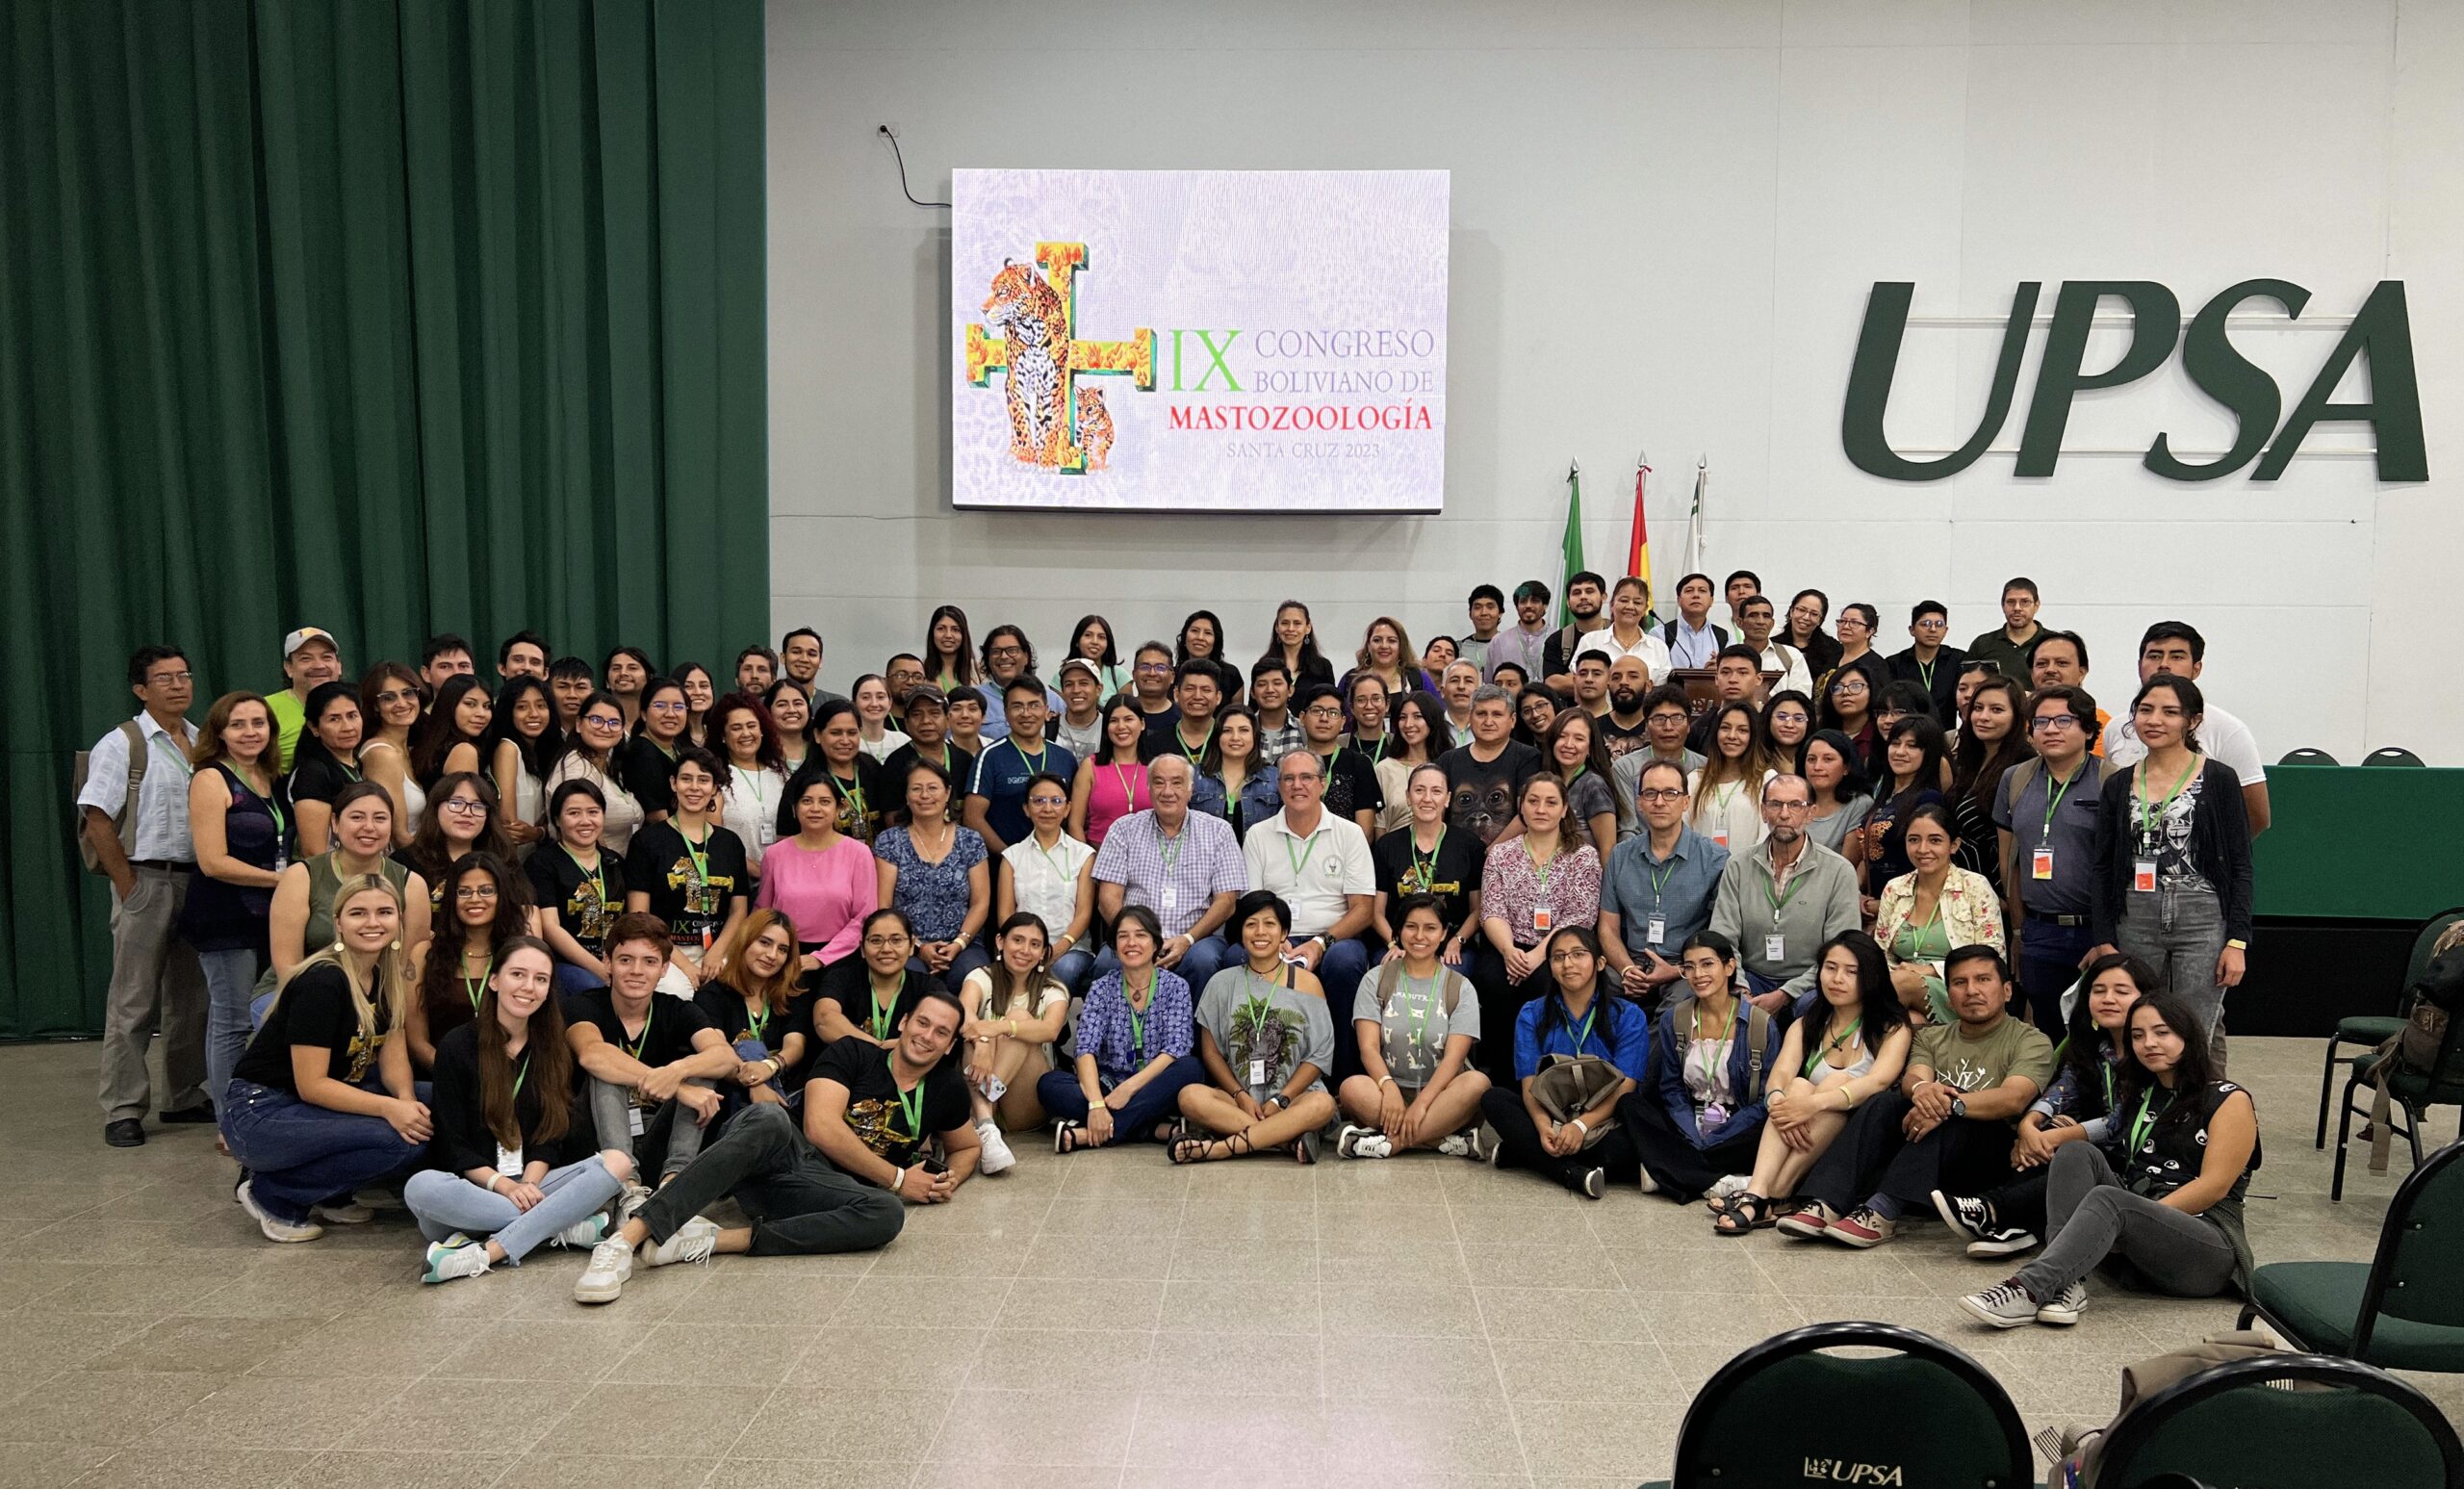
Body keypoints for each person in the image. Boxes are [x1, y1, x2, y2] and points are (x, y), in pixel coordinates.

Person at [572, 988, 976, 1302]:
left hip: (828, 1192)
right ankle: (625, 1240)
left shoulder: (947, 1087)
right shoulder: (854, 1052)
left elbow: (967, 1147)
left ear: (949, 1046)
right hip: (786, 1156)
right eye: (922, 1023)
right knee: (769, 1117)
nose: (927, 1036)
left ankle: (703, 1242)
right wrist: (900, 1179)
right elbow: (820, 1128)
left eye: (941, 1033)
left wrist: (947, 1179)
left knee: (887, 1214)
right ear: (904, 1022)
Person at [1959, 991, 2259, 1329]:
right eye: (2138, 1035)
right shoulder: (2141, 1093)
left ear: (2188, 1037)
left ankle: (2028, 1288)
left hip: (2207, 1247)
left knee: (2111, 1200)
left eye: (2162, 1032)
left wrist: (2137, 1217)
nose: (2149, 1043)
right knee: (2076, 1152)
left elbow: (2213, 1186)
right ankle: (2066, 1282)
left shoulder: (2227, 1099)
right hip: (2143, 1234)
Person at [1784, 945, 2054, 1247]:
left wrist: (1949, 1104)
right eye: (1960, 983)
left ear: (2006, 991)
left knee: (1952, 1117)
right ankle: (1826, 1202)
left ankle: (1881, 1212)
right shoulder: (1931, 1036)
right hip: (1928, 1153)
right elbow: (1915, 1078)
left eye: (1983, 980)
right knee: (1884, 1102)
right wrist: (1924, 1090)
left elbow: (2013, 1098)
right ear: (1948, 995)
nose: (1971, 991)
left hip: (1990, 1158)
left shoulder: (2031, 1040)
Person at [407, 937, 631, 1282]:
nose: (529, 987)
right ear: (495, 981)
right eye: (518, 974)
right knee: (421, 1188)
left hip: (535, 1184)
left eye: (540, 979)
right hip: (475, 1192)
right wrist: (506, 1187)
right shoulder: (457, 1045)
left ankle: (487, 1252)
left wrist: (527, 1184)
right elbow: (452, 1144)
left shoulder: (553, 1049)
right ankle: (559, 1225)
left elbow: (550, 1135)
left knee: (617, 1162)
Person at [220, 873, 430, 1242]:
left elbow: (394, 1061)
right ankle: (274, 1194)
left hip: (311, 1105)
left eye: (384, 912)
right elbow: (312, 1086)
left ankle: (330, 1192)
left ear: (399, 920)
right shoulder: (322, 980)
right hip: (262, 1111)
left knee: (433, 1107)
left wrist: (407, 1102)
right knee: (395, 1139)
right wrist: (390, 1110)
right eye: (358, 913)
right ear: (338, 923)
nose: (372, 922)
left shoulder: (385, 977)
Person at [1934, 951, 2149, 1258]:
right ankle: (2016, 1229)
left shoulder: (2151, 1050)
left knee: (2067, 1148)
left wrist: (2051, 1137)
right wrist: (2029, 1126)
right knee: (2047, 1130)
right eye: (2099, 990)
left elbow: (2120, 1120)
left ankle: (1992, 1209)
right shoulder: (2093, 1047)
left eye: (2122, 991)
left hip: (2137, 1161)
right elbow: (2061, 1091)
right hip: (2094, 1150)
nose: (2108, 999)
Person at [2090, 675, 2254, 1053]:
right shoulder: (2118, 783)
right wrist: (2102, 938)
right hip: (2135, 912)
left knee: (2196, 1026)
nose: (2154, 720)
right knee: (2136, 1021)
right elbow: (2102, 867)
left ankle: (2205, 1093)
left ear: (2192, 720)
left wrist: (2237, 941)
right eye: (2145, 710)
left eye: (2169, 712)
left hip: (2202, 914)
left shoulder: (2219, 778)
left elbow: (2241, 865)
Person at [1717, 932, 1913, 1235]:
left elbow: (1879, 1081)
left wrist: (1812, 1105)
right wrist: (1780, 1103)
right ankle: (1760, 1192)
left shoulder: (1892, 1027)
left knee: (1835, 1081)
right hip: (1805, 1132)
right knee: (1795, 1086)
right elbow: (1780, 1075)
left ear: (1872, 976)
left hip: (1858, 1141)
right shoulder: (1806, 1023)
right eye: (1830, 968)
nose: (1837, 979)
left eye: (1851, 972)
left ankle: (1774, 1192)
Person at [562, 913, 738, 1201]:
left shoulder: (677, 1009)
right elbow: (592, 1054)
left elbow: (725, 1056)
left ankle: (674, 1184)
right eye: (625, 960)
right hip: (595, 1143)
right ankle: (627, 1188)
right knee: (608, 1067)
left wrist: (677, 1071)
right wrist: (678, 1088)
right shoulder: (584, 1005)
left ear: (665, 968)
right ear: (607, 963)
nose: (637, 970)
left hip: (654, 1134)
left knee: (702, 1069)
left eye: (649, 961)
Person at [1476, 925, 1648, 1197]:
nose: (1568, 964)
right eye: (1558, 957)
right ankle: (1571, 1172)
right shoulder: (1532, 1013)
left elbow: (1626, 1087)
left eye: (1578, 954)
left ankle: (1527, 1154)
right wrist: (1543, 1126)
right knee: (1494, 1100)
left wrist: (1581, 1126)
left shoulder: (1628, 1015)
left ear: (1600, 963)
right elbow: (1529, 1083)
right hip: (1552, 1113)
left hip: (1603, 1122)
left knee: (1631, 1140)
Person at [185, 690, 294, 1117]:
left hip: (269, 915)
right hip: (224, 916)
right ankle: (229, 1119)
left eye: (258, 723)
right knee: (231, 1022)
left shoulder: (271, 778)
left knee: (262, 1015)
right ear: (220, 733)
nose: (250, 732)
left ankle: (257, 1107)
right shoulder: (210, 779)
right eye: (238, 725)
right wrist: (281, 880)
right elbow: (212, 861)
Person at [1172, 890, 1341, 1164]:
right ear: (1241, 933)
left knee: (1322, 1104)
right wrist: (1240, 1096)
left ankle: (1220, 1149)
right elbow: (1211, 1053)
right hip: (1240, 1101)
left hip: (1294, 1099)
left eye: (1270, 924)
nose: (1260, 932)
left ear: (1284, 933)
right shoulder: (1221, 983)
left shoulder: (1307, 983)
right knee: (1190, 1097)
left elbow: (1319, 1055)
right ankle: (1285, 1140)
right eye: (1251, 924)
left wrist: (1281, 1100)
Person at [1627, 931, 1784, 1201]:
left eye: (1707, 964)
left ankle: (1672, 1172)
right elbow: (1672, 1089)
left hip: (1737, 1126)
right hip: (1688, 1119)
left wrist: (1718, 1136)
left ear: (1729, 967)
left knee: (1774, 1128)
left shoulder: (1760, 1024)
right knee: (1630, 1105)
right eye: (1689, 967)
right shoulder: (1675, 1019)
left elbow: (1764, 1099)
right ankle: (1718, 1181)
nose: (1698, 974)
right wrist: (1692, 1133)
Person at [1994, 685, 2111, 1039]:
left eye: (2064, 720)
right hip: (2039, 930)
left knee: (2099, 1032)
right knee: (2048, 1030)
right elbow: (2011, 862)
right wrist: (2018, 931)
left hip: (2096, 931)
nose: (2050, 729)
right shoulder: (2015, 779)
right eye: (2041, 722)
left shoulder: (2112, 780)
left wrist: (2108, 937)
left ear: (2088, 729)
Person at [1335, 894, 1491, 1158]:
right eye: (1411, 927)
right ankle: (1441, 1139)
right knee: (1351, 1088)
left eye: (1430, 928)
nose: (1420, 936)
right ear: (1398, 931)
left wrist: (1422, 1104)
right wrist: (1389, 1088)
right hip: (1388, 1092)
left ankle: (1390, 1144)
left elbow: (1454, 1059)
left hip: (1442, 1096)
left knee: (1478, 1083)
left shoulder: (1460, 987)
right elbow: (1368, 1048)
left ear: (1444, 934)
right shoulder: (1376, 979)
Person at [1041, 905, 1206, 1150]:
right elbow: (1085, 1048)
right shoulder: (1101, 988)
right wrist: (1097, 1103)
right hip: (1108, 1085)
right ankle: (1151, 1129)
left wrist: (1129, 1089)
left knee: (1191, 1068)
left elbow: (1176, 1048)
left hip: (1155, 1085)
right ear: (1115, 946)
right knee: (1048, 1084)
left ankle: (1092, 1133)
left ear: (1156, 944)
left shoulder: (1176, 986)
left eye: (1140, 935)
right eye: (1123, 936)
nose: (1131, 943)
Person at [1474, 773, 1603, 1081]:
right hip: (1508, 944)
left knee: (1544, 981)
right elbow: (1492, 910)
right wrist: (1510, 951)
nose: (1541, 809)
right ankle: (1502, 1078)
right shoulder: (1501, 854)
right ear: (1521, 806)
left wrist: (1538, 955)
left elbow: (1580, 916)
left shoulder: (1583, 855)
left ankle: (1548, 1076)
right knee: (1491, 979)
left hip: (1560, 947)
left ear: (1564, 809)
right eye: (1533, 801)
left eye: (1550, 802)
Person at [1241, 752, 1377, 1038]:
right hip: (1273, 934)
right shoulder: (1257, 835)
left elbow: (1363, 910)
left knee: (1345, 961)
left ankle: (1343, 1060)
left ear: (1323, 784)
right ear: (1279, 786)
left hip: (1333, 937)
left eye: (1306, 777)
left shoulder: (1350, 833)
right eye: (1288, 778)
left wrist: (1320, 942)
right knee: (1235, 957)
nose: (1297, 785)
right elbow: (1252, 904)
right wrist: (1275, 938)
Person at [1091, 755, 1247, 992]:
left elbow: (1226, 902)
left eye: (1176, 783)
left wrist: (1187, 939)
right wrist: (1136, 939)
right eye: (1158, 782)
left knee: (1204, 961)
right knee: (1106, 962)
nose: (1167, 791)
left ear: (1190, 790)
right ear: (1148, 788)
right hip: (1134, 936)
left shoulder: (1218, 831)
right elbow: (1107, 898)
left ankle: (1197, 1020)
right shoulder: (1123, 829)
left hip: (1198, 939)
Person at [2101, 621, 2271, 835]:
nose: (2164, 664)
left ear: (2196, 668)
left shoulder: (2229, 731)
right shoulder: (2117, 728)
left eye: (2177, 657)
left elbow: (2257, 816)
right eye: (2154, 656)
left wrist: (2216, 851)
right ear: (2139, 665)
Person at [1708, 775, 1862, 1010]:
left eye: (1795, 805)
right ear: (1763, 812)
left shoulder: (1839, 871)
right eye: (1775, 804)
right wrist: (1740, 987)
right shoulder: (1738, 865)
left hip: (1812, 983)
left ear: (1811, 813)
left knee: (1811, 1006)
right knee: (1727, 1003)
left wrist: (1786, 993)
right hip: (1751, 977)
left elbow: (1841, 950)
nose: (1784, 814)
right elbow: (1723, 938)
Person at [265, 780, 432, 990]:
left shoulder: (412, 885)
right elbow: (287, 968)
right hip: (297, 993)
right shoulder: (301, 876)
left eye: (380, 818)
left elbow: (408, 967)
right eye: (357, 817)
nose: (369, 827)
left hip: (378, 995)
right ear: (335, 823)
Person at [1599, 760, 1730, 1001]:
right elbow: (1607, 927)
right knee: (1591, 987)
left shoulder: (1715, 859)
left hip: (1686, 968)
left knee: (1680, 1006)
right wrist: (1627, 969)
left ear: (1686, 801)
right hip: (1631, 963)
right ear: (1639, 802)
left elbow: (1720, 933)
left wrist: (1680, 970)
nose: (1659, 802)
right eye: (1650, 793)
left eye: (1670, 793)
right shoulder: (1620, 855)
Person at [624, 748, 751, 992]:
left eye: (703, 780)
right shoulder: (647, 841)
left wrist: (716, 953)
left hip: (719, 949)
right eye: (686, 779)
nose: (694, 787)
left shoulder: (730, 843)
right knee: (676, 990)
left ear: (714, 788)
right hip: (663, 949)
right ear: (673, 783)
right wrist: (684, 965)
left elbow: (738, 912)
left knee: (731, 991)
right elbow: (640, 915)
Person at [1875, 804, 2006, 1025]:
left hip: (1960, 988)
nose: (1923, 849)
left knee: (1901, 983)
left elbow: (1993, 955)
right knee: (1911, 1021)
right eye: (1914, 840)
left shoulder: (1974, 886)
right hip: (1899, 989)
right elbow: (1879, 953)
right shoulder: (1894, 888)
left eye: (1935, 840)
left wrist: (1930, 970)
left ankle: (1849, 1040)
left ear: (1954, 845)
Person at [956, 911, 1071, 1162]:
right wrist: (982, 1043)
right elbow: (963, 1015)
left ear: (1043, 953)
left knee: (1019, 1020)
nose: (1025, 950)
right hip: (981, 1080)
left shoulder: (1054, 989)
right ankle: (986, 1126)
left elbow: (1051, 1029)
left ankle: (981, 1114)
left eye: (1035, 944)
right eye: (1017, 940)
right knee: (973, 1037)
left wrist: (1000, 1028)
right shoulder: (980, 977)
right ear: (1000, 942)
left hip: (1024, 1102)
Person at [407, 851, 534, 1068]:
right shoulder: (424, 952)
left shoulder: (523, 952)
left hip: (509, 1072)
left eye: (486, 890)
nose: (475, 899)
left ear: (502, 895)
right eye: (464, 892)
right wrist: (458, 1075)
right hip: (441, 1073)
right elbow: (417, 1041)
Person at [875, 761, 991, 992]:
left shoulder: (971, 840)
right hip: (905, 945)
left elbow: (980, 902)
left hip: (963, 944)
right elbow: (884, 905)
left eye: (933, 788)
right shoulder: (889, 841)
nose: (925, 796)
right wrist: (918, 946)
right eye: (916, 789)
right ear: (906, 796)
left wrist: (959, 943)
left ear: (947, 793)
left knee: (973, 977)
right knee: (912, 980)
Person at [758, 772, 879, 971]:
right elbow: (762, 912)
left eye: (825, 802)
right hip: (784, 955)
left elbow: (865, 916)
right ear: (794, 808)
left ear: (839, 808)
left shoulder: (859, 853)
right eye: (807, 801)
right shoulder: (775, 854)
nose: (815, 809)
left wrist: (822, 958)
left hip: (844, 956)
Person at [693, 910, 809, 1109]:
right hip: (732, 1096)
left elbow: (795, 1046)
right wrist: (756, 1084)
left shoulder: (793, 992)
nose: (772, 955)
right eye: (764, 942)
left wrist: (769, 1066)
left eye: (782, 950)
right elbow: (718, 1051)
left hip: (786, 1091)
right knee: (750, 1048)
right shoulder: (712, 994)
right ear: (745, 940)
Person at [1373, 763, 1483, 972]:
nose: (1427, 798)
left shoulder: (1470, 845)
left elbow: (1478, 909)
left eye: (1436, 791)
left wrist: (1458, 940)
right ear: (1408, 796)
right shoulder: (1387, 846)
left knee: (1450, 975)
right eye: (1419, 790)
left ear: (1448, 799)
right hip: (1399, 943)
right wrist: (1393, 944)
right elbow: (1376, 911)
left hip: (1451, 944)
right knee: (1392, 972)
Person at [997, 772, 1097, 993]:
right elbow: (1006, 914)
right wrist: (1024, 949)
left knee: (1063, 970)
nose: (1047, 808)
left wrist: (1058, 949)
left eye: (1056, 801)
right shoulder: (1012, 857)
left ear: (1068, 808)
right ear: (1026, 808)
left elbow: (1084, 913)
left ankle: (1047, 1016)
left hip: (1070, 949)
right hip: (1021, 949)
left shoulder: (1083, 855)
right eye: (1038, 801)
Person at [527, 780, 627, 991]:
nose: (585, 821)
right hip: (566, 964)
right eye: (574, 813)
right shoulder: (542, 863)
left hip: (614, 961)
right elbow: (550, 927)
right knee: (593, 987)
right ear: (557, 819)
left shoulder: (614, 861)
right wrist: (600, 969)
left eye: (593, 812)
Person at [966, 675, 1074, 858]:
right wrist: (1011, 858)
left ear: (1046, 710)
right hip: (1005, 865)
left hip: (1057, 863)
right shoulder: (990, 757)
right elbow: (973, 818)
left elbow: (1074, 817)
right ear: (1006, 713)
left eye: (1034, 705)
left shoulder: (1065, 758)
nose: (1026, 713)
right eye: (1017, 706)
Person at [808, 909, 937, 1047]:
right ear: (862, 948)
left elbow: (942, 1031)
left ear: (911, 946)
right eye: (876, 941)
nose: (886, 949)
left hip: (907, 1061)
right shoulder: (840, 978)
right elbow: (824, 1019)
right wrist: (878, 1047)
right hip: (849, 1060)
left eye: (896, 940)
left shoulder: (929, 987)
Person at [401, 771, 518, 922]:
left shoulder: (503, 857)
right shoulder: (406, 862)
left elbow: (526, 913)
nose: (467, 813)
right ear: (435, 808)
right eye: (456, 803)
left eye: (478, 806)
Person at [1948, 674, 2026, 894]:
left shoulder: (2024, 765)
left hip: (1999, 895)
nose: (1983, 717)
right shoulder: (1968, 760)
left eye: (1996, 710)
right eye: (1978, 708)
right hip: (1962, 890)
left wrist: (2009, 899)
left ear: (2016, 716)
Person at [1439, 685, 1543, 845]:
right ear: (1470, 717)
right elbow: (1437, 812)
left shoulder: (1528, 758)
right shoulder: (1448, 760)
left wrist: (1493, 852)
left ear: (1513, 720)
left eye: (1497, 714)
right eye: (1481, 714)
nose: (1488, 722)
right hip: (1455, 853)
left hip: (1510, 855)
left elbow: (1526, 814)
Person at [546, 690, 646, 854]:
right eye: (596, 720)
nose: (605, 728)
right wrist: (607, 864)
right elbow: (582, 830)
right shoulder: (576, 768)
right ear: (579, 724)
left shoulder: (609, 763)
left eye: (614, 722)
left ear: (622, 730)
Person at [1864, 715, 1952, 901]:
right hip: (1874, 900)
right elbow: (1868, 853)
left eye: (1912, 746)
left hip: (1908, 902)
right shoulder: (1884, 794)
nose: (1900, 752)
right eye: (1895, 743)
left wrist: (1889, 903)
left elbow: (1928, 859)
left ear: (1928, 753)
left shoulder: (1928, 799)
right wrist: (1856, 894)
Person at [281, 680, 364, 858]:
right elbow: (314, 852)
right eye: (334, 719)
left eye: (352, 716)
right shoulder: (312, 773)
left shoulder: (357, 764)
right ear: (314, 727)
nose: (348, 727)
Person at [879, 685, 973, 830]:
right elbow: (893, 820)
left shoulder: (965, 760)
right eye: (917, 714)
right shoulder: (895, 764)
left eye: (934, 713)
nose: (926, 721)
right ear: (907, 723)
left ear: (948, 719)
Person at [1610, 685, 1707, 825]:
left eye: (1677, 718)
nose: (1668, 727)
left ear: (1688, 725)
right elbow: (1628, 828)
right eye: (1659, 718)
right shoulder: (1626, 768)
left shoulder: (1705, 767)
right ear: (1646, 726)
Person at [1295, 683, 1383, 836]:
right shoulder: (1289, 763)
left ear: (1343, 722)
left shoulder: (1359, 765)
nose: (1324, 718)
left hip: (1344, 849)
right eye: (1316, 711)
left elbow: (1365, 834)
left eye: (1333, 713)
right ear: (1302, 718)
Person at [712, 692, 790, 865]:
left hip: (784, 874)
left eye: (751, 725)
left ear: (762, 730)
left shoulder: (781, 774)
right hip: (738, 874)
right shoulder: (715, 778)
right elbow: (715, 839)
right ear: (723, 736)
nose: (746, 733)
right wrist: (756, 871)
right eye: (736, 728)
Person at [1687, 702, 1775, 854]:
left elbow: (1767, 838)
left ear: (1753, 736)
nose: (1732, 736)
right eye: (1725, 728)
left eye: (1742, 730)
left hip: (1748, 866)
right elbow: (1684, 832)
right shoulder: (1695, 780)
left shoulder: (1767, 780)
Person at [357, 662, 426, 849]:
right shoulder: (382, 754)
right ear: (375, 706)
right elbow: (399, 835)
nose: (401, 703)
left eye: (408, 693)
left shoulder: (409, 749)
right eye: (388, 697)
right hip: (401, 860)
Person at [483, 676, 558, 844]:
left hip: (531, 853)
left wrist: (539, 833)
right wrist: (540, 832)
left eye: (541, 706)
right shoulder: (508, 749)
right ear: (508, 712)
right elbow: (510, 826)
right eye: (522, 707)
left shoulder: (541, 753)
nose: (534, 714)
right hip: (510, 854)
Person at [1069, 696, 1150, 847]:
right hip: (1099, 854)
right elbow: (1075, 825)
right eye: (1113, 721)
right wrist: (1089, 858)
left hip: (1148, 856)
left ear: (1142, 724)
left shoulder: (1156, 768)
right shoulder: (1090, 766)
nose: (1121, 726)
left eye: (1128, 719)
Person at [1541, 708, 1623, 857]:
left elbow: (1608, 848)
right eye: (1562, 736)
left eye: (1579, 739)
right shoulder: (1544, 782)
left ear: (1590, 748)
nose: (1568, 744)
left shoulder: (1594, 785)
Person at [807, 698, 885, 844]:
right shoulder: (804, 781)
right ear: (817, 735)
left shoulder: (873, 768)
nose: (845, 741)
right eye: (836, 733)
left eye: (852, 733)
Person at [1575, 577, 1674, 689]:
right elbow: (1578, 679)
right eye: (1624, 600)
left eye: (1637, 602)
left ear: (1645, 609)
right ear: (1612, 605)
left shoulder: (1658, 647)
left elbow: (1662, 689)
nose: (1630, 606)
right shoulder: (1590, 641)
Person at [1201, 705, 1282, 840]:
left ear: (1255, 735)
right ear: (1217, 736)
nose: (1235, 737)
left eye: (1244, 730)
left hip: (1258, 854)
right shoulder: (1195, 776)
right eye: (1227, 730)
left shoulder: (1275, 778)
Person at [269, 627, 345, 770]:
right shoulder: (266, 709)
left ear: (339, 666)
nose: (319, 666)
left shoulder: (356, 705)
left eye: (326, 657)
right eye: (306, 659)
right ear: (289, 668)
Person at [1373, 691, 1447, 834]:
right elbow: (1379, 826)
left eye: (1417, 716)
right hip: (1394, 845)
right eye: (1403, 717)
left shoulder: (1447, 765)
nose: (1408, 724)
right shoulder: (1384, 769)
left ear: (1432, 719)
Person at [975, 625, 1065, 739]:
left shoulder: (1053, 700)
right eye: (996, 651)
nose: (1004, 656)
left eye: (1012, 650)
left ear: (1026, 656)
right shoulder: (975, 699)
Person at [1886, 602, 1965, 726]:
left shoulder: (1959, 660)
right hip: (1906, 731)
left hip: (1945, 733)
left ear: (1945, 630)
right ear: (1912, 630)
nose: (1933, 629)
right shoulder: (1894, 663)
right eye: (1926, 624)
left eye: (1939, 625)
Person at [1800, 730, 1873, 860]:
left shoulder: (1860, 804)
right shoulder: (1794, 800)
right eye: (1811, 759)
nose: (1817, 767)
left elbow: (1846, 864)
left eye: (1828, 759)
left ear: (1846, 768)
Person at [1682, 646, 1770, 754]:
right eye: (1725, 672)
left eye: (1742, 673)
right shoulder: (1701, 726)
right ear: (1716, 679)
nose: (1733, 680)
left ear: (1759, 679)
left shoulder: (1771, 722)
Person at [1962, 578, 2047, 683]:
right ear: (2003, 606)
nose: (2017, 608)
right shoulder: (1983, 644)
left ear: (2036, 606)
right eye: (2011, 602)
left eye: (2025, 602)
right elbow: (1967, 684)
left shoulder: (2053, 643)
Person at [1539, 571, 1610, 691]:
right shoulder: (1557, 640)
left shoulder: (1619, 632)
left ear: (1603, 597)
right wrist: (1606, 681)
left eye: (1589, 591)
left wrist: (1572, 678)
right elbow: (1552, 683)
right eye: (1577, 593)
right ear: (1568, 602)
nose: (1583, 597)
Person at [1735, 594, 1814, 699]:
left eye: (1766, 616)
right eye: (1753, 615)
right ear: (1740, 622)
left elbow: (1801, 699)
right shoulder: (1728, 658)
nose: (1760, 622)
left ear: (1772, 624)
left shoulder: (1791, 656)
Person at [1343, 615, 1436, 703]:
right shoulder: (1350, 679)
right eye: (1377, 640)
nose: (1384, 646)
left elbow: (1436, 713)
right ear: (1368, 645)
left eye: (1391, 641)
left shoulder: (1418, 678)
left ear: (1401, 646)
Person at [1484, 579, 1554, 685]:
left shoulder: (1559, 638)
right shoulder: (1499, 641)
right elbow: (1489, 684)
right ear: (1517, 607)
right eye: (1523, 601)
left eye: (1535, 601)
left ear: (1545, 605)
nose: (1528, 605)